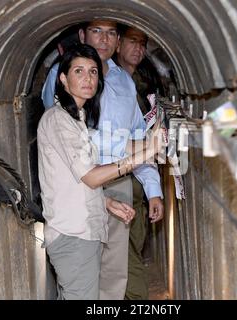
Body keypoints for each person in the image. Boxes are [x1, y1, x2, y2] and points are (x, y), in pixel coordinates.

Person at [37, 44, 162, 300]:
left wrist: (107, 203)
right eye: (79, 71)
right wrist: (147, 153)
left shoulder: (77, 119)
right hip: (73, 235)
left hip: (84, 232)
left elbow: (109, 147)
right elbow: (92, 176)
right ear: (63, 78)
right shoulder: (58, 121)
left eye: (93, 72)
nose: (88, 79)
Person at [114, 26, 164, 300]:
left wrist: (153, 190)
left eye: (143, 43)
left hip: (134, 186)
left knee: (132, 249)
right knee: (121, 265)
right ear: (119, 43)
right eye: (133, 41)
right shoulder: (102, 84)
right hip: (105, 185)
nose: (139, 48)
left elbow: (140, 138)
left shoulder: (140, 85)